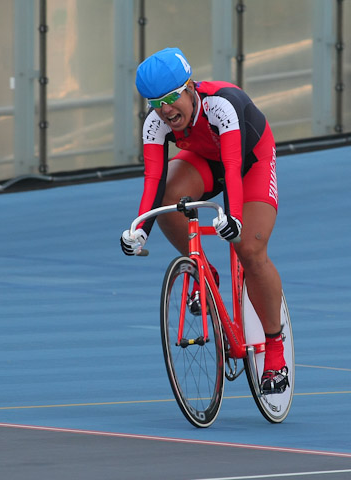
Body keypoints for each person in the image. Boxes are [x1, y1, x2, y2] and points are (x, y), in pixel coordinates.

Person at [120, 47, 288, 395]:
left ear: (191, 87)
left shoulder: (221, 105)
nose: (165, 110)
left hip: (249, 160)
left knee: (250, 250)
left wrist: (235, 219)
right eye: (155, 102)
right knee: (167, 196)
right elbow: (153, 182)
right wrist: (139, 229)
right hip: (205, 159)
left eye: (170, 98)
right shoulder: (155, 123)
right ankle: (204, 270)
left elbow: (233, 169)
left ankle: (275, 351)